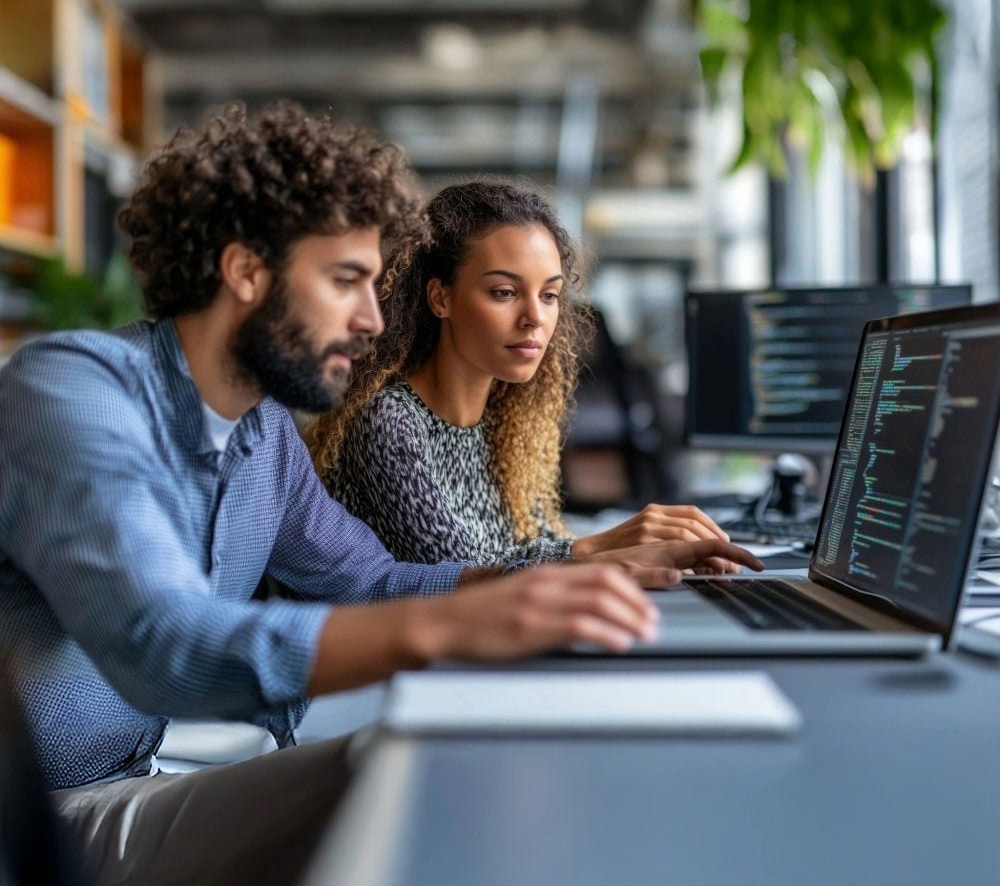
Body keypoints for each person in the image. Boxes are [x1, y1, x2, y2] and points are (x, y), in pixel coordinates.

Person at [0, 103, 758, 886]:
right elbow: (161, 642)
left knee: (415, 766)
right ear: (246, 272)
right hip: (37, 821)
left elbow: (371, 580)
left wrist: (548, 579)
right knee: (405, 790)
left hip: (138, 777)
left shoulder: (260, 432)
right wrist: (452, 624)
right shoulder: (72, 391)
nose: (370, 319)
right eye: (346, 281)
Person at [309, 179, 736, 570]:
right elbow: (466, 575)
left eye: (549, 295)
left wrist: (647, 545)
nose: (535, 317)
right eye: (504, 292)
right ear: (441, 298)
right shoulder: (387, 420)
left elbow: (539, 541)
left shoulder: (507, 420)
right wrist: (599, 546)